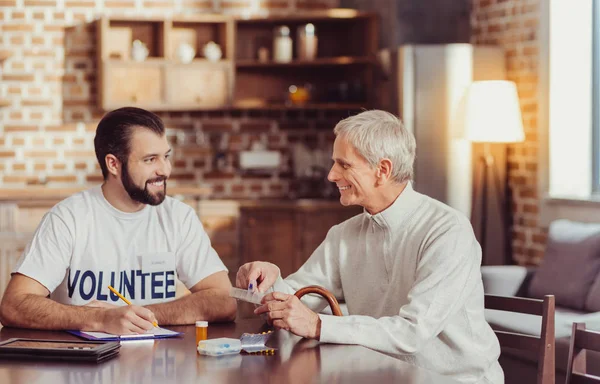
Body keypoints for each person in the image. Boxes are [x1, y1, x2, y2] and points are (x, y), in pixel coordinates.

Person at [236, 110, 503, 383]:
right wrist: (270, 280)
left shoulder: (447, 231)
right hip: (382, 375)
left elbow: (413, 332)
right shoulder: (345, 234)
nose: (331, 175)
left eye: (344, 164)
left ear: (382, 170)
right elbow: (298, 299)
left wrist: (318, 325)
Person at [0, 107, 236, 334]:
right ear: (113, 164)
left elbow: (224, 300)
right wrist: (100, 319)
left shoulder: (179, 217)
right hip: (84, 369)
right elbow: (14, 305)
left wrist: (140, 315)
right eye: (150, 159)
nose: (165, 170)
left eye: (165, 156)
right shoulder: (68, 218)